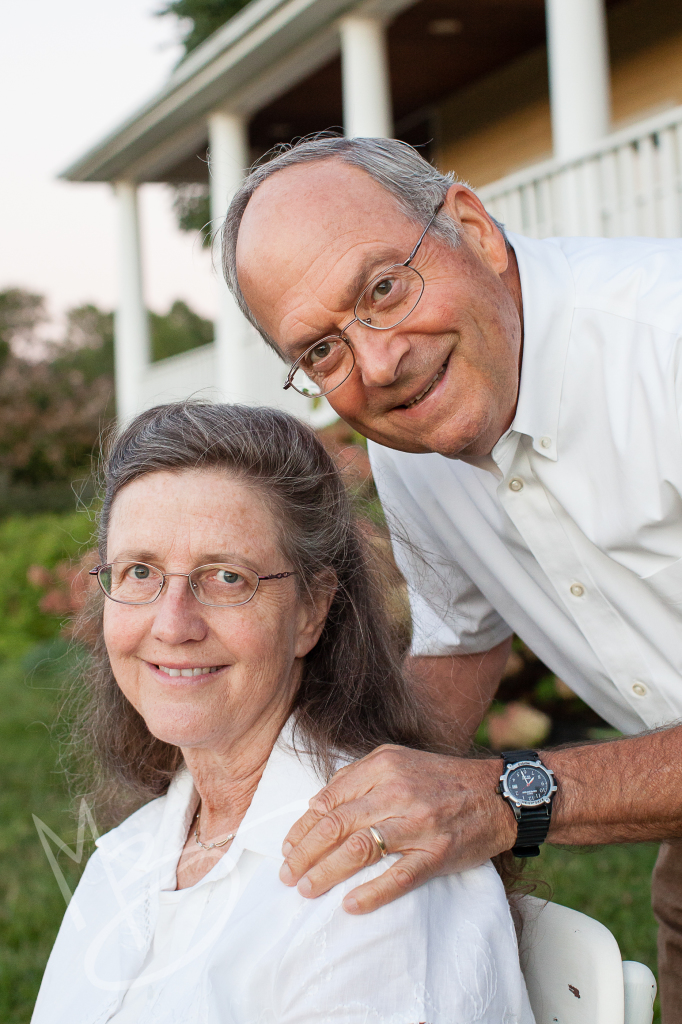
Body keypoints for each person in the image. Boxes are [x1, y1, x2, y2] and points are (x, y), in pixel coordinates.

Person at [222, 134, 682, 1019]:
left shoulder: (663, 344)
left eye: (384, 289)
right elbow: (459, 638)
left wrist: (506, 799)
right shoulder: (415, 439)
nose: (381, 364)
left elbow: (497, 796)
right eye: (322, 350)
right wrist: (309, 807)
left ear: (472, 227)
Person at [32, 402, 534, 1024]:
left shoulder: (368, 874)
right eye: (140, 572)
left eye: (226, 578)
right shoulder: (129, 854)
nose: (172, 624)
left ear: (310, 611)